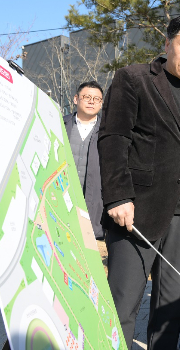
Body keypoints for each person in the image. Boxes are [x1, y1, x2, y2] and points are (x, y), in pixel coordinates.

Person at [99, 14, 180, 350]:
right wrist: (118, 197)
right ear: (167, 43)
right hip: (137, 213)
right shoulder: (133, 79)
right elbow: (113, 138)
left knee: (171, 310)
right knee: (122, 305)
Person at [63, 81, 105, 240]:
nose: (92, 101)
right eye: (87, 97)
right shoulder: (59, 124)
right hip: (61, 199)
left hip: (92, 204)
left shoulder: (108, 131)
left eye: (97, 99)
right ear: (76, 99)